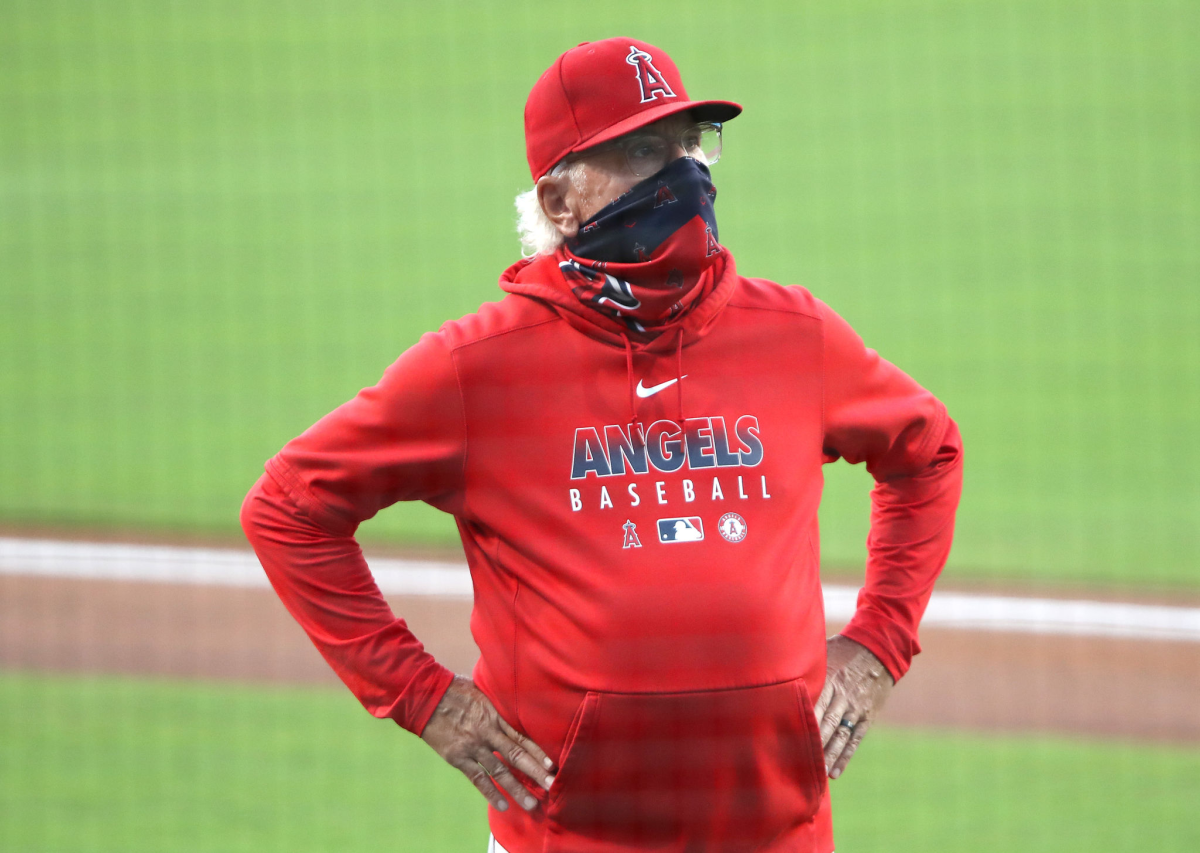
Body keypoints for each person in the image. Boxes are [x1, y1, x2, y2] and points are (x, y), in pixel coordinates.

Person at [241, 37, 963, 853]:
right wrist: (423, 696)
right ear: (558, 200)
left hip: (778, 834)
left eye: (690, 146)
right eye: (644, 153)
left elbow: (926, 450)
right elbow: (289, 508)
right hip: (570, 839)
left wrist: (877, 645)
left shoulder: (793, 335)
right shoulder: (477, 368)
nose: (683, 177)